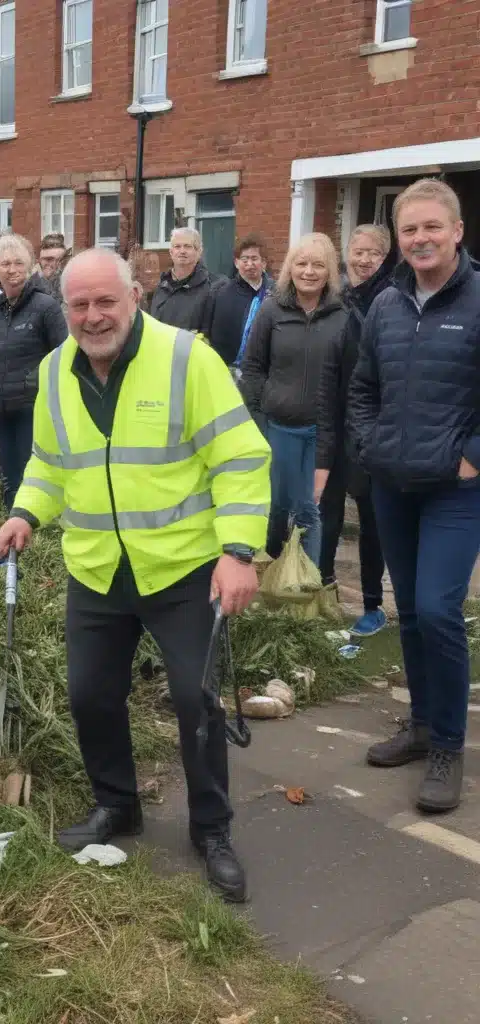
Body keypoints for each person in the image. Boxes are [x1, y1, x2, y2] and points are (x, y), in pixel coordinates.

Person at [0, 248, 270, 901]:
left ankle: (212, 829)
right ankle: (116, 805)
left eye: (105, 302)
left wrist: (237, 550)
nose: (93, 317)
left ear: (134, 298)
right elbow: (49, 464)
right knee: (90, 694)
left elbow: (239, 455)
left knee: (193, 700)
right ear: (65, 309)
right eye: (80, 305)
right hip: (96, 570)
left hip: (181, 568)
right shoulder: (54, 370)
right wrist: (25, 513)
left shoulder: (186, 358)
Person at [348, 179, 480, 813]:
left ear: (457, 231)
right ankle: (422, 723)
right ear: (398, 238)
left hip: (454, 490)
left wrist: (472, 457)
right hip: (392, 483)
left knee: (438, 609)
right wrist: (368, 445)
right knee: (409, 610)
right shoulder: (387, 304)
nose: (421, 239)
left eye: (433, 227)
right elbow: (362, 386)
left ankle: (449, 744)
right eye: (409, 230)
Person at [239, 233, 347, 566]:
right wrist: (257, 419)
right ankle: (268, 569)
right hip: (277, 426)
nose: (309, 272)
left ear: (329, 271)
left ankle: (307, 589)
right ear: (290, 268)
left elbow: (349, 379)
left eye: (318, 265)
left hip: (320, 431)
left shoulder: (342, 316)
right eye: (302, 263)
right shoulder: (272, 310)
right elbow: (253, 368)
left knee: (308, 509)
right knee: (277, 506)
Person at [314, 224, 395, 636]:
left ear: (386, 257)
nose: (363, 260)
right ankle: (324, 595)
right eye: (357, 252)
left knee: (371, 522)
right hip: (334, 425)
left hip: (372, 430)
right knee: (325, 515)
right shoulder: (338, 300)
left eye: (373, 254)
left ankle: (373, 604)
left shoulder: (392, 300)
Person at [0, 233, 68, 510]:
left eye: (18, 263)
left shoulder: (45, 307)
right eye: (5, 264)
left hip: (34, 408)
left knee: (35, 471)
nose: (12, 270)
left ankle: (37, 528)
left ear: (28, 267)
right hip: (1, 410)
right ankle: (12, 526)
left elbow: (63, 358)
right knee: (8, 474)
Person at [208, 234, 272, 369]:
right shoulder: (220, 293)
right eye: (244, 259)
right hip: (226, 369)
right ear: (236, 263)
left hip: (264, 370)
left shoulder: (275, 294)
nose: (250, 264)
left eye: (254, 258)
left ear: (264, 263)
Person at [149, 228, 222, 336]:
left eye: (188, 246)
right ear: (171, 252)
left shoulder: (213, 288)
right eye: (177, 246)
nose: (182, 251)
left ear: (199, 252)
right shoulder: (161, 287)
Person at [35, 232, 68, 304]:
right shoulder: (31, 287)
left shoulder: (72, 286)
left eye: (58, 260)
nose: (49, 264)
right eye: (46, 259)